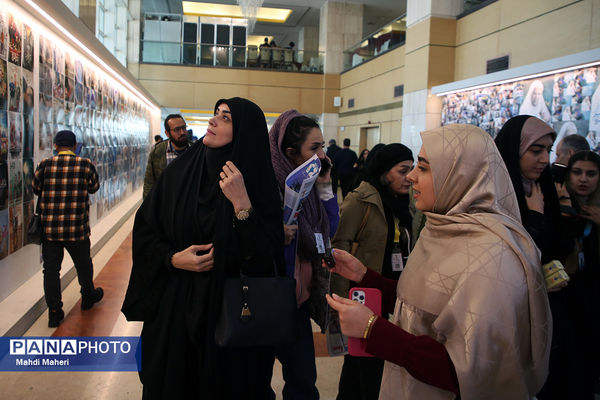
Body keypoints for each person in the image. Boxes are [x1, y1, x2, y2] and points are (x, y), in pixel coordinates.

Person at [325, 124, 551, 399]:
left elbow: (473, 373)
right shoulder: (442, 228)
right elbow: (425, 307)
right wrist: (367, 277)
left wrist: (375, 329)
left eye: (423, 167)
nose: (411, 177)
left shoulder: (492, 256)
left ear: (460, 175)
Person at [122, 98, 285, 399]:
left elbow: (264, 261)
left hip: (230, 317)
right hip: (177, 314)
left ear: (245, 133)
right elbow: (146, 232)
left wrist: (242, 205)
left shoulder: (258, 184)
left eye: (226, 118)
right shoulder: (181, 174)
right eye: (215, 114)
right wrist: (172, 259)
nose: (213, 121)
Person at [494, 115, 575, 399]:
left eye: (548, 150)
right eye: (535, 150)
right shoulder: (495, 194)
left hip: (544, 303)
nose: (544, 159)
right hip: (507, 309)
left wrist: (562, 203)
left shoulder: (543, 189)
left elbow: (558, 246)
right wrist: (536, 218)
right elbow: (509, 254)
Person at [331, 143, 414, 400]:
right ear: (383, 171)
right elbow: (340, 245)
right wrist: (341, 300)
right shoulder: (360, 200)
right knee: (367, 364)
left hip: (395, 291)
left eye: (412, 170)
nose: (409, 177)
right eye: (402, 171)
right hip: (365, 295)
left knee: (368, 363)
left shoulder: (405, 203)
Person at [268, 110, 339, 399]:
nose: (322, 155)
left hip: (299, 300)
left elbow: (328, 230)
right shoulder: (267, 183)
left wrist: (324, 187)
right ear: (289, 152)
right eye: (314, 148)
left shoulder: (308, 184)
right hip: (268, 296)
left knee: (303, 378)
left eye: (323, 146)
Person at [32, 130, 103, 327]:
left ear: (55, 146)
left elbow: (35, 188)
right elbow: (94, 187)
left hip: (51, 230)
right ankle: (88, 296)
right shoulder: (85, 164)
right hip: (77, 229)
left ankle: (54, 312)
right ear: (74, 146)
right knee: (84, 265)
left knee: (51, 270)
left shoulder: (44, 165)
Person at [563, 150, 600, 398]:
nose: (583, 179)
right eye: (577, 172)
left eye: (591, 174)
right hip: (567, 301)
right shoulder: (556, 208)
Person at [143, 114, 190, 198]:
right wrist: (148, 208)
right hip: (165, 204)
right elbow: (149, 183)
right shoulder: (157, 152)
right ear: (167, 133)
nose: (182, 132)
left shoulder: (194, 150)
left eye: (184, 128)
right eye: (177, 130)